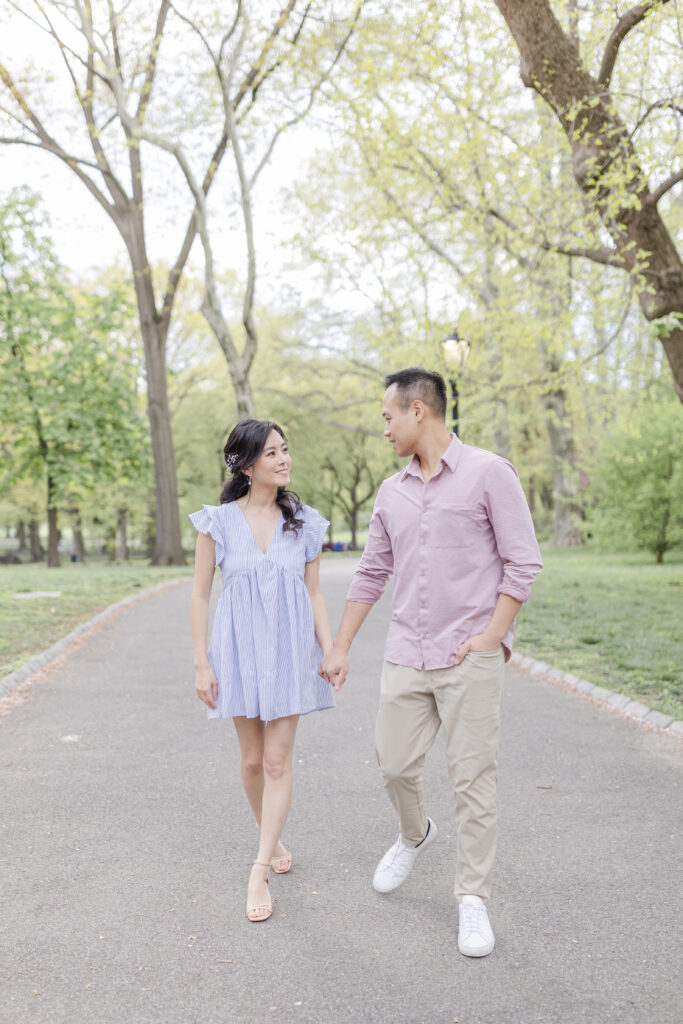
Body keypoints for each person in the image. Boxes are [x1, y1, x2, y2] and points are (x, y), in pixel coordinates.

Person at [320, 368, 542, 957]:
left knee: (473, 780)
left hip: (469, 652)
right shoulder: (391, 491)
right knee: (393, 765)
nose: (384, 427)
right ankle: (414, 833)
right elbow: (372, 572)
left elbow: (523, 563)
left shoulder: (490, 473)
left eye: (388, 416)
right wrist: (340, 646)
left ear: (419, 410)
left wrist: (491, 638)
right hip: (407, 653)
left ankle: (472, 899)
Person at [189, 418, 334, 923]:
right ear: (247, 465)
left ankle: (258, 867)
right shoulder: (218, 522)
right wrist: (201, 662)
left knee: (277, 761)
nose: (284, 459)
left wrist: (330, 649)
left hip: (292, 652)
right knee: (251, 761)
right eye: (272, 453)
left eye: (285, 450)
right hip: (238, 653)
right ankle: (269, 836)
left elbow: (314, 592)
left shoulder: (306, 522)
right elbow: (201, 594)